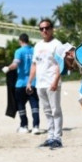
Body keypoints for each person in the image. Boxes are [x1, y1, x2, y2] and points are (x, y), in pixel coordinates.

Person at [26, 19, 63, 148]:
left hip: (52, 82)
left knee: (55, 110)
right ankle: (50, 136)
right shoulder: (37, 46)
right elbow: (34, 64)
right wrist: (30, 81)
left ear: (52, 29)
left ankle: (57, 138)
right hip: (40, 83)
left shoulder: (57, 44)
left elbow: (60, 65)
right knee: (47, 111)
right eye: (41, 29)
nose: (44, 31)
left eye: (47, 28)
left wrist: (55, 81)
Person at [3, 34, 39, 133]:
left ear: (20, 41)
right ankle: (36, 126)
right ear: (28, 40)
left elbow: (16, 64)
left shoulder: (19, 51)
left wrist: (8, 68)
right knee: (34, 104)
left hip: (21, 83)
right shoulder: (34, 50)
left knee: (20, 105)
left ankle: (24, 126)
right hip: (34, 82)